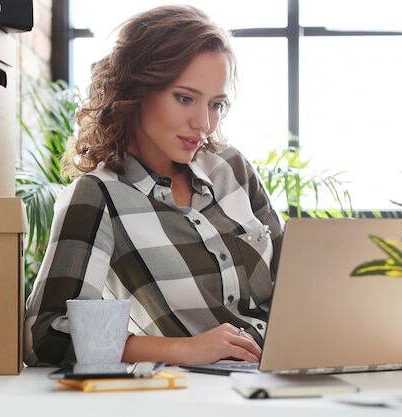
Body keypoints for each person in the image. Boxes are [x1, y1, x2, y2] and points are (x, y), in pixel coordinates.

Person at [24, 5, 283, 366]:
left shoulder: (233, 169)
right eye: (184, 98)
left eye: (216, 104)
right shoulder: (98, 197)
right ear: (137, 90)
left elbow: (295, 285)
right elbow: (45, 334)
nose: (204, 123)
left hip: (288, 373)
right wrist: (187, 350)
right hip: (195, 394)